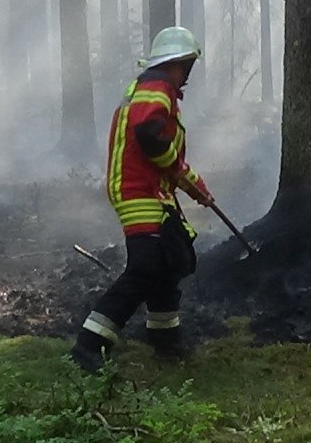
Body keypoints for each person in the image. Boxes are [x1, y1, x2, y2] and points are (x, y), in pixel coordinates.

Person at [70, 26, 215, 372]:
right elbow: (150, 138)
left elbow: (168, 158)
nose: (187, 74)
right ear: (178, 63)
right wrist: (181, 175)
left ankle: (165, 343)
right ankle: (88, 345)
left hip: (153, 191)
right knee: (146, 267)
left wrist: (196, 186)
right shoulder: (156, 86)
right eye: (188, 65)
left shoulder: (154, 88)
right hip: (138, 191)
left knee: (166, 265)